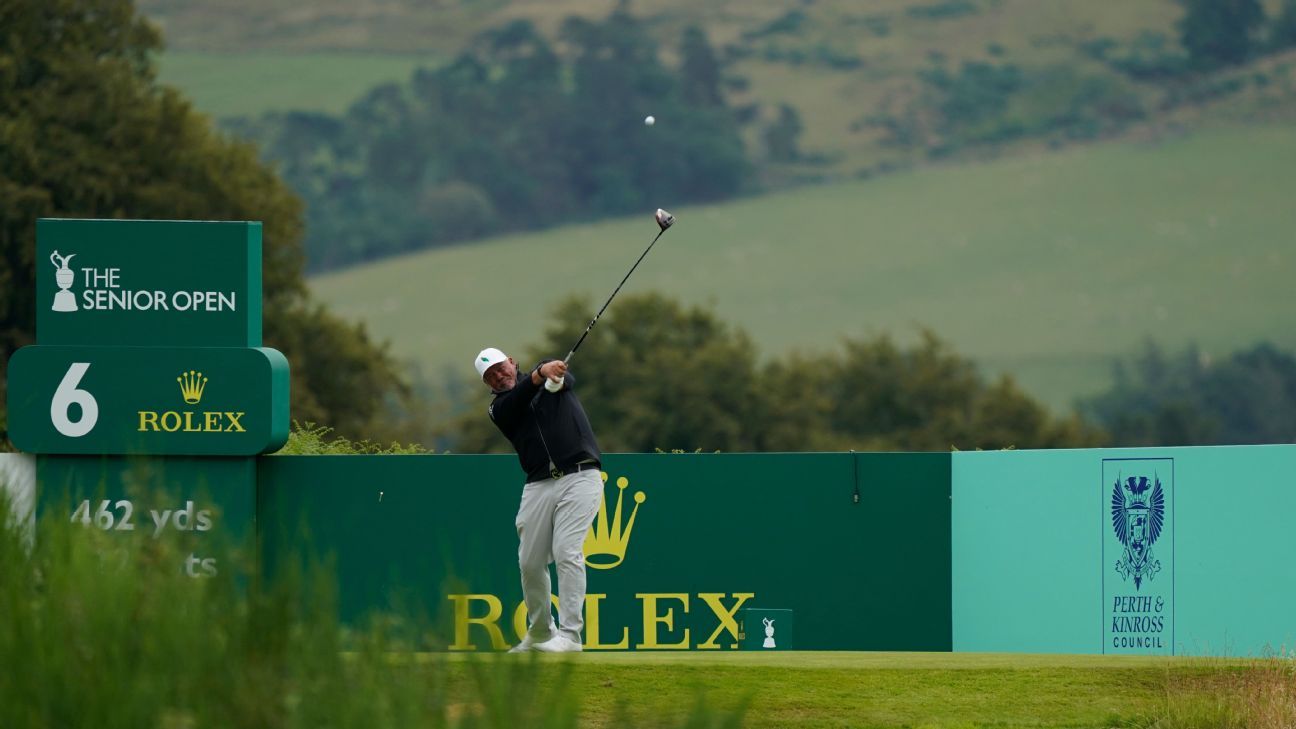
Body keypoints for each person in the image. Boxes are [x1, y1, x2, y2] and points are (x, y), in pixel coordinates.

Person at [474, 347, 603, 653]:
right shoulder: (499, 407)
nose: (499, 374)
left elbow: (564, 379)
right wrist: (539, 377)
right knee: (530, 562)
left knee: (566, 551)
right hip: (538, 485)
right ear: (488, 384)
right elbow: (519, 398)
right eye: (490, 374)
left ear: (512, 362)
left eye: (501, 367)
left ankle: (571, 636)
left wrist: (553, 377)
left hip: (580, 475)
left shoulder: (546, 372)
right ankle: (542, 632)